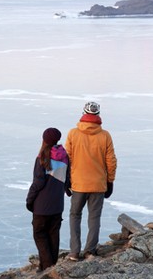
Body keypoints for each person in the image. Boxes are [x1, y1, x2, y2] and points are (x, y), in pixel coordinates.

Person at [64, 100, 117, 259]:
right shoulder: (105, 135)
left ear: (83, 114)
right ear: (98, 115)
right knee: (94, 218)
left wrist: (66, 181)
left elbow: (67, 158)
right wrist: (110, 182)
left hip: (78, 184)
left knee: (75, 215)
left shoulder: (73, 133)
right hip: (98, 184)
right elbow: (111, 161)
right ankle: (90, 250)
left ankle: (74, 251)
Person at [25, 127, 70, 270]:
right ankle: (51, 265)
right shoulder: (65, 157)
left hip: (41, 206)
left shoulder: (41, 159)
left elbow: (38, 183)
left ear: (44, 140)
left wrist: (29, 200)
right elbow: (67, 180)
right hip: (57, 205)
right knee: (53, 234)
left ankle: (47, 266)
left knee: (39, 234)